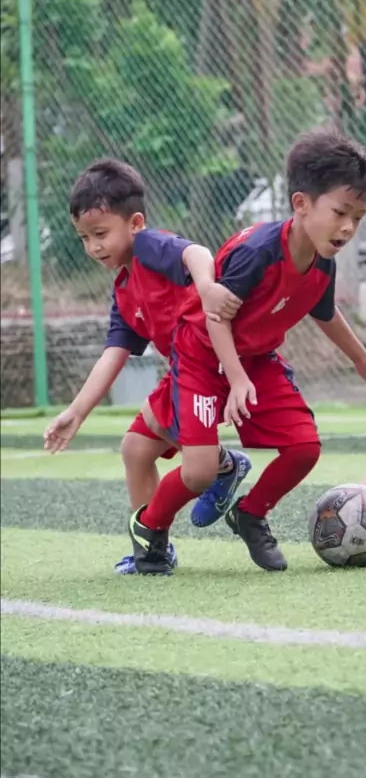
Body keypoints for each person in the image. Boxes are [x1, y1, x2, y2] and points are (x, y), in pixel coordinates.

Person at [127, 129, 366, 576]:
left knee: (304, 447)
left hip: (256, 361)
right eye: (340, 212)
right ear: (301, 203)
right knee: (197, 473)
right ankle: (150, 526)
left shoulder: (322, 260)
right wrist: (235, 377)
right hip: (202, 359)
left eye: (358, 216)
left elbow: (325, 312)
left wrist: (361, 359)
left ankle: (251, 514)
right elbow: (216, 318)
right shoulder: (257, 252)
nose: (348, 227)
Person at [43, 158, 252, 573]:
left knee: (195, 471)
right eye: (84, 238)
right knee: (136, 449)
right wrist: (76, 412)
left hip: (210, 369)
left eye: (101, 234)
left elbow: (196, 252)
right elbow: (113, 354)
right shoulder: (124, 288)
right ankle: (154, 549)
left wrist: (207, 287)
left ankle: (222, 467)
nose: (93, 247)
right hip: (182, 375)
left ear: (135, 223)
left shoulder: (148, 247)